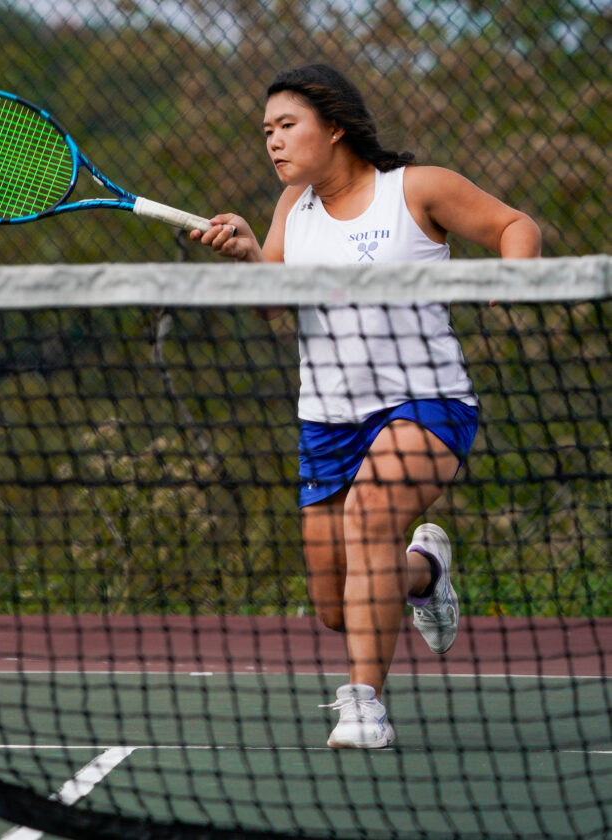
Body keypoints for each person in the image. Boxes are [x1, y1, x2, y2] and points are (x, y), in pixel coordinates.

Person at [191, 63, 541, 749]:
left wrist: (518, 276)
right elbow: (272, 302)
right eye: (266, 130)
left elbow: (514, 224)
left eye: (286, 125)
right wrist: (245, 255)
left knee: (370, 514)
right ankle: (425, 573)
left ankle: (364, 705)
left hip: (425, 399)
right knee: (334, 606)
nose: (273, 141)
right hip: (327, 415)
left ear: (335, 126)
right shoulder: (292, 207)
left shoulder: (415, 189)